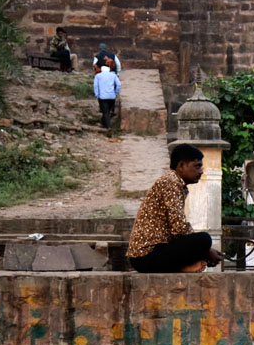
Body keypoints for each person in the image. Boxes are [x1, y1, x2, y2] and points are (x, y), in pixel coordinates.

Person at [127, 144, 224, 273]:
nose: (201, 171)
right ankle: (185, 267)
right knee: (204, 239)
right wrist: (206, 250)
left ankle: (185, 266)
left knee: (201, 242)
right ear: (181, 166)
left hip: (148, 255)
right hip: (146, 256)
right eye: (197, 166)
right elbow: (179, 228)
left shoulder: (174, 182)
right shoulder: (171, 182)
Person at [93, 66, 121, 130]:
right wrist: (116, 92)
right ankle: (103, 123)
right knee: (107, 111)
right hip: (112, 97)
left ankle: (108, 127)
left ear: (101, 70)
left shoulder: (98, 76)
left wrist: (97, 95)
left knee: (105, 112)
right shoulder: (113, 75)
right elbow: (118, 84)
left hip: (102, 97)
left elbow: (95, 86)